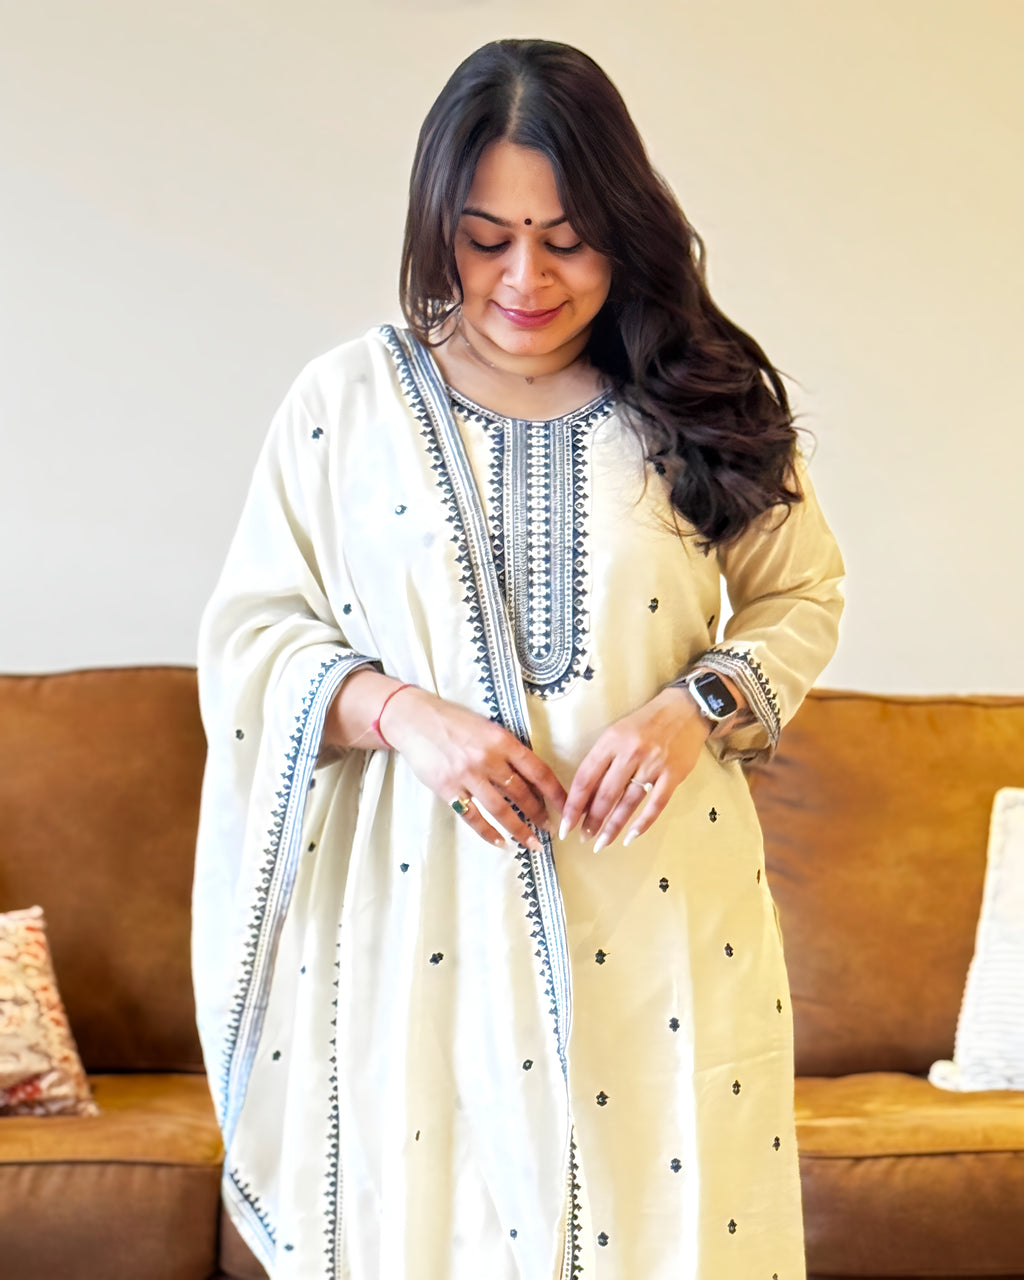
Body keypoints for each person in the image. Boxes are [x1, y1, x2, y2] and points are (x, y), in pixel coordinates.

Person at [193, 37, 844, 1280]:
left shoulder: (696, 396)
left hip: (660, 910)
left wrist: (693, 705)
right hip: (416, 908)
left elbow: (800, 593)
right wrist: (402, 714)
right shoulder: (348, 405)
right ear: (437, 224)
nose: (525, 278)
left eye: (567, 237)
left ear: (626, 226)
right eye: (486, 237)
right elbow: (250, 633)